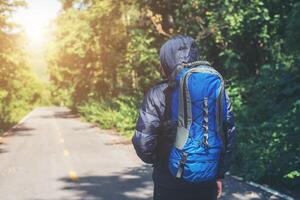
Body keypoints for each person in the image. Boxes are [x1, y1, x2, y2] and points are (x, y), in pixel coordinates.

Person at [132, 35, 236, 200]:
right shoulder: (214, 89)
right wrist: (219, 174)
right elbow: (229, 136)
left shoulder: (157, 93)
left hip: (169, 181)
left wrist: (160, 162)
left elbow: (143, 144)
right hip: (207, 178)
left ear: (165, 62)